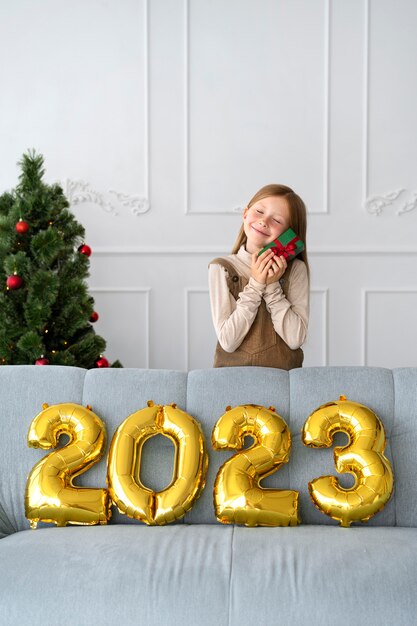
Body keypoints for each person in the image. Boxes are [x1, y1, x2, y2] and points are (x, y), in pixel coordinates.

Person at [208, 184, 309, 369]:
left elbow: (295, 340)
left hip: (283, 382)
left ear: (289, 233)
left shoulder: (296, 269)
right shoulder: (221, 268)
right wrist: (256, 284)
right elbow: (228, 342)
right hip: (232, 379)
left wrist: (272, 286)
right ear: (245, 214)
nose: (264, 221)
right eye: (259, 211)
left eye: (277, 220)